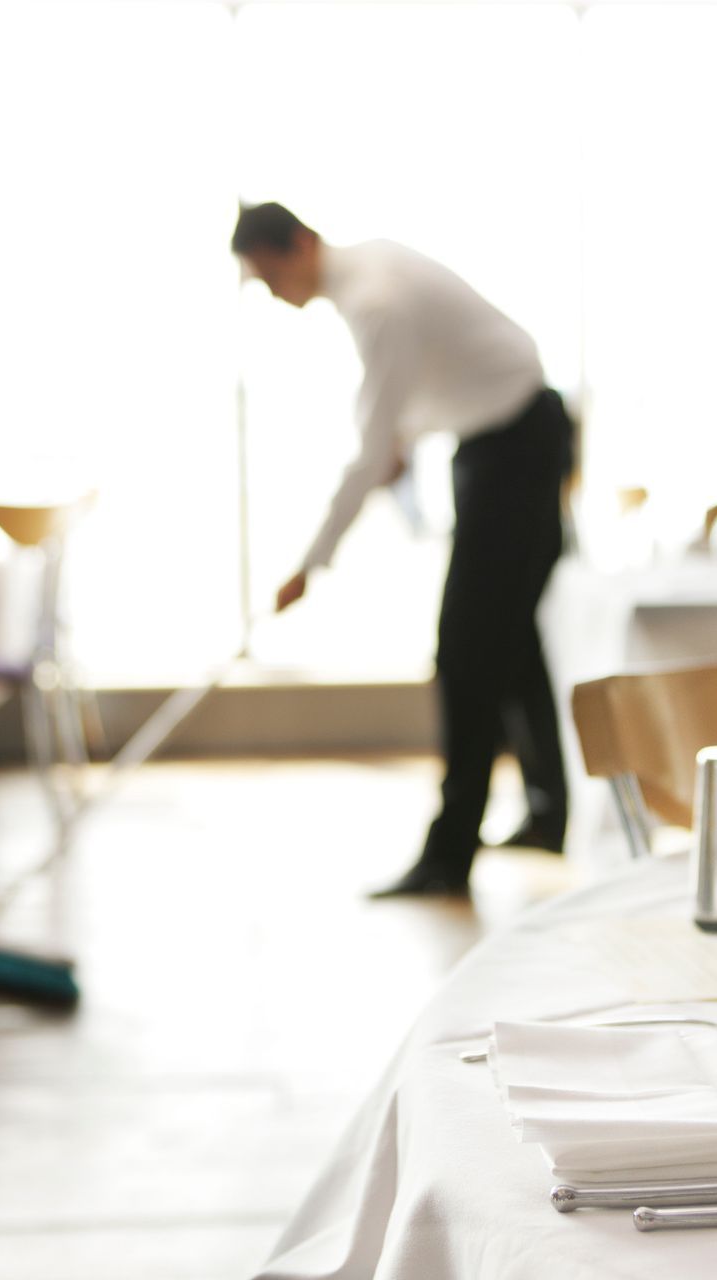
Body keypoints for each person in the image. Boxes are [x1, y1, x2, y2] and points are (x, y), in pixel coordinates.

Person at [231, 203, 573, 898]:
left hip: (513, 448)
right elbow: (418, 401)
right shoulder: (376, 264)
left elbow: (368, 454)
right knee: (511, 641)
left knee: (467, 649)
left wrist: (309, 564)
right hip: (510, 436)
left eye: (270, 276)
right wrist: (404, 440)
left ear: (299, 244)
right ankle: (547, 813)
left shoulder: (374, 301)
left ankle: (450, 855)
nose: (273, 293)